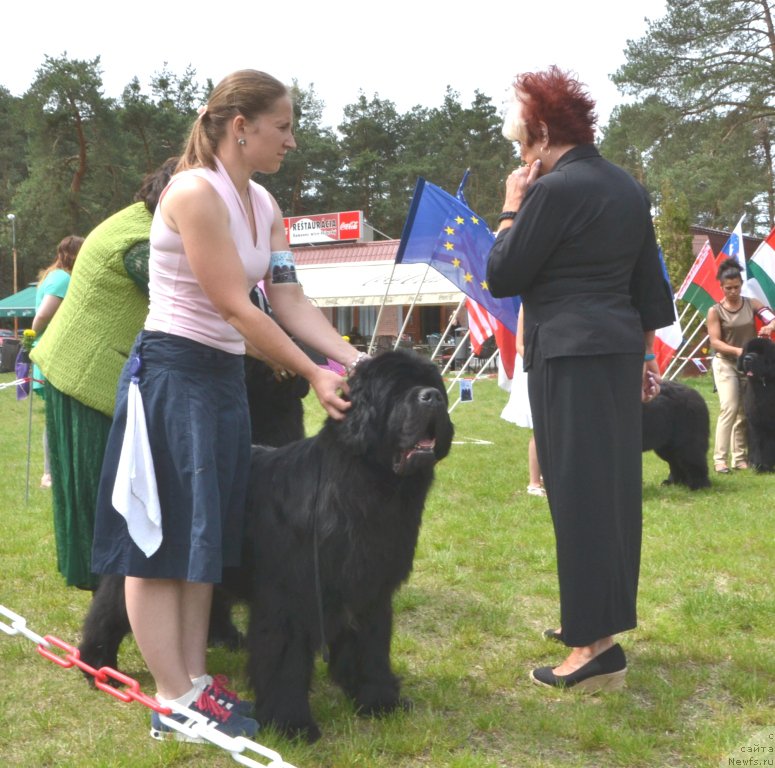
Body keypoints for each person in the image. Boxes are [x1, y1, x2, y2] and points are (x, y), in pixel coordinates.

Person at [90, 69, 363, 742]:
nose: (291, 141)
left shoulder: (263, 204)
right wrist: (313, 372)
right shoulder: (194, 193)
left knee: (202, 535)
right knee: (157, 539)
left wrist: (353, 360)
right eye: (283, 127)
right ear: (241, 127)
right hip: (171, 377)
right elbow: (236, 306)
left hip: (220, 379)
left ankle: (193, 682)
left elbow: (287, 297)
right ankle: (171, 700)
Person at [486, 66, 674, 692]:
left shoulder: (552, 191)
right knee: (610, 494)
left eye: (522, 142)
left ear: (542, 133)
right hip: (616, 353)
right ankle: (590, 622)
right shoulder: (627, 187)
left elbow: (503, 274)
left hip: (568, 355)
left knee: (578, 497)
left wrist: (511, 206)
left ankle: (595, 649)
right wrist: (646, 359)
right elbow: (649, 287)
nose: (520, 155)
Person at [30, 159, 178, 590]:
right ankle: (106, 588)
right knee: (102, 491)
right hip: (87, 375)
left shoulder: (138, 224)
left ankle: (102, 584)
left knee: (93, 490)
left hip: (81, 368)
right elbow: (194, 300)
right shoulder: (142, 241)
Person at [706, 257, 775, 473]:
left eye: (736, 287)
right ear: (721, 287)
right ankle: (720, 459)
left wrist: (770, 326)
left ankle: (740, 458)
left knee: (746, 412)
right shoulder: (715, 311)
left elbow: (771, 318)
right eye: (728, 288)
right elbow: (715, 342)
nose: (733, 291)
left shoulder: (751, 304)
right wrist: (740, 352)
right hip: (726, 363)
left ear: (741, 284)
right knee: (729, 407)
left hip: (749, 365)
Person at [31, 235, 84, 488]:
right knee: (58, 417)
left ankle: (56, 472)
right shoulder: (63, 278)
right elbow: (43, 315)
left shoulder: (51, 276)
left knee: (58, 416)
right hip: (53, 353)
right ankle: (50, 474)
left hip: (50, 351)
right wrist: (32, 334)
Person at [500, 306, 545, 496]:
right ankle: (534, 482)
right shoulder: (527, 305)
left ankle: (548, 475)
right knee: (540, 427)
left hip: (554, 367)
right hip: (534, 366)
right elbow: (519, 344)